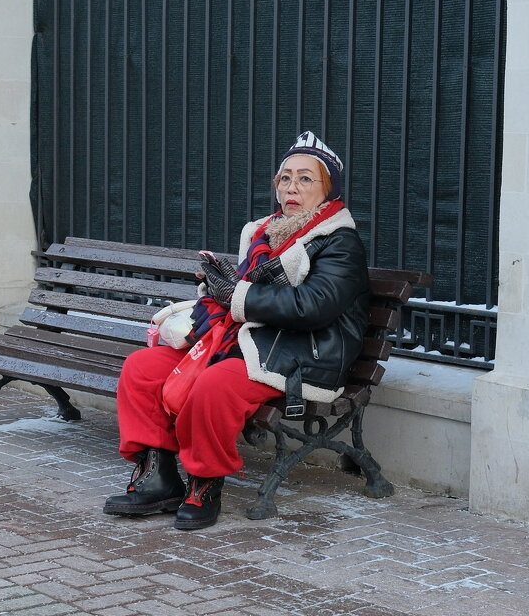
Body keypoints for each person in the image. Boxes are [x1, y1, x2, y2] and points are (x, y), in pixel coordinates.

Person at [104, 130, 370, 530]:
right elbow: (241, 293)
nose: (291, 188)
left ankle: (204, 482)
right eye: (285, 178)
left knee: (213, 386)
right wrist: (217, 288)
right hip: (246, 339)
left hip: (301, 353)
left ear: (327, 189)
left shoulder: (339, 242)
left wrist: (237, 295)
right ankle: (159, 477)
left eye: (305, 178)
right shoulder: (264, 232)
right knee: (142, 369)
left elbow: (313, 307)